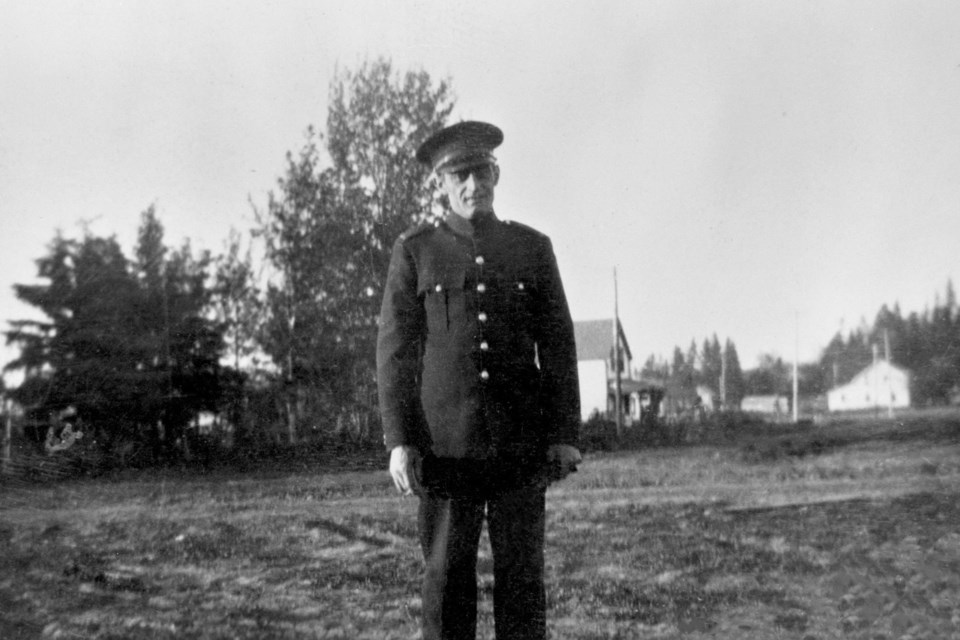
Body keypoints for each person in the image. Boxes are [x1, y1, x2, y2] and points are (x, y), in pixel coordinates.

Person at [376, 120, 582, 640]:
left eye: (484, 172)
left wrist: (563, 435)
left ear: (497, 174)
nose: (475, 186)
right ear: (441, 184)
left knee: (522, 582)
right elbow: (396, 354)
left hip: (520, 446)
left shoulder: (531, 248)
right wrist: (400, 442)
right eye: (461, 175)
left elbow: (557, 345)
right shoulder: (416, 251)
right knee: (446, 582)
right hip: (445, 449)